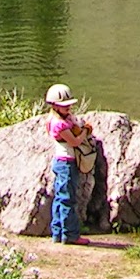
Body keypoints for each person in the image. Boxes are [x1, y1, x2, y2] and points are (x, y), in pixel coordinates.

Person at [46, 82, 93, 245]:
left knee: (60, 198)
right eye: (63, 106)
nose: (68, 108)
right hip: (66, 163)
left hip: (61, 162)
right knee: (67, 199)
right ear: (54, 105)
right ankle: (70, 234)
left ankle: (57, 232)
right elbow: (74, 141)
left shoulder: (56, 120)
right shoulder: (59, 125)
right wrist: (85, 131)